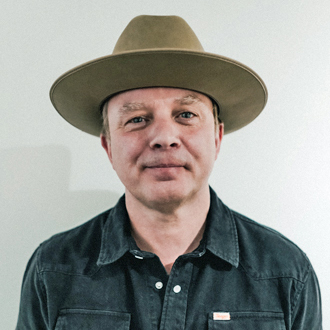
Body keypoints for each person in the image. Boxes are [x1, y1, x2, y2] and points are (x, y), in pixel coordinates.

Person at [16, 15, 322, 329]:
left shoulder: (287, 274)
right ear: (108, 146)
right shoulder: (53, 270)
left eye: (186, 114)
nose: (164, 137)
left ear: (216, 138)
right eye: (136, 119)